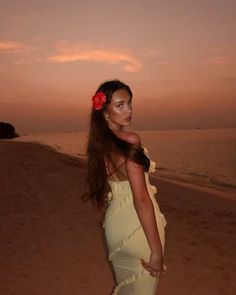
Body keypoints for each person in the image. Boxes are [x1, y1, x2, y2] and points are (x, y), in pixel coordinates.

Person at [85, 79, 167, 294]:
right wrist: (156, 250)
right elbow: (141, 200)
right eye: (120, 105)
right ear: (104, 111)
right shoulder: (130, 140)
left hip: (115, 227)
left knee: (126, 289)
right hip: (138, 228)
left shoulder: (99, 144)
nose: (128, 110)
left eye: (130, 103)